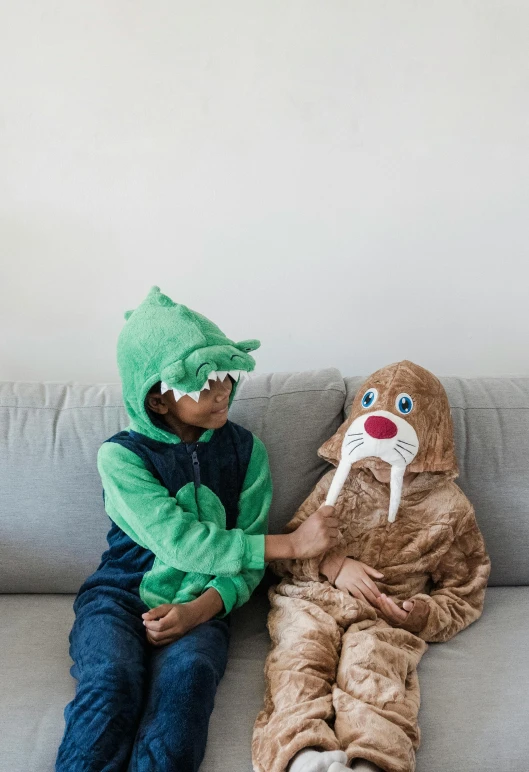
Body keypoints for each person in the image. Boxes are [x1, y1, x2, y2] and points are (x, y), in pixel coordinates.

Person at [55, 286, 340, 772]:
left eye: (224, 377)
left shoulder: (247, 452)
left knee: (187, 685)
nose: (222, 391)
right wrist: (290, 544)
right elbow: (180, 542)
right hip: (119, 598)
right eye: (203, 384)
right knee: (112, 682)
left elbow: (244, 570)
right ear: (159, 399)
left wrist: (198, 612)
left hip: (206, 603)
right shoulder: (120, 457)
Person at [252, 360, 491, 772]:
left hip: (385, 616)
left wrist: (420, 614)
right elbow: (289, 552)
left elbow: (465, 590)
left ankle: (373, 761)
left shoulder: (450, 509)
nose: (380, 457)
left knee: (373, 671)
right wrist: (331, 565)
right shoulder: (337, 484)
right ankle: (301, 755)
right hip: (313, 599)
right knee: (298, 658)